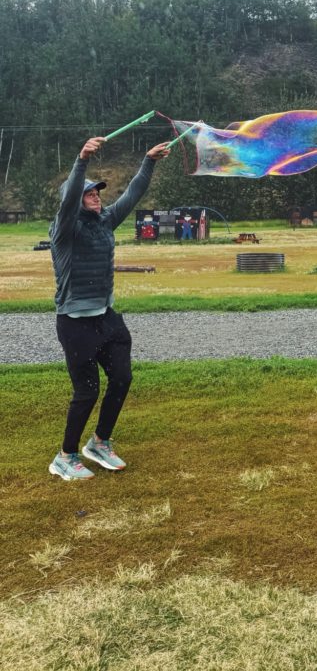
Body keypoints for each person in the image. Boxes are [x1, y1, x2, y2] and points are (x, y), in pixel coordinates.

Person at [48, 136, 170, 481]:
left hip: (107, 317)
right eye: (89, 193)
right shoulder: (64, 229)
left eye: (97, 192)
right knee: (87, 391)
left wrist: (149, 161)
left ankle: (99, 442)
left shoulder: (105, 220)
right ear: (75, 199)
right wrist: (82, 159)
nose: (96, 196)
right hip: (75, 323)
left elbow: (132, 194)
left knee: (122, 378)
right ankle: (65, 456)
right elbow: (68, 201)